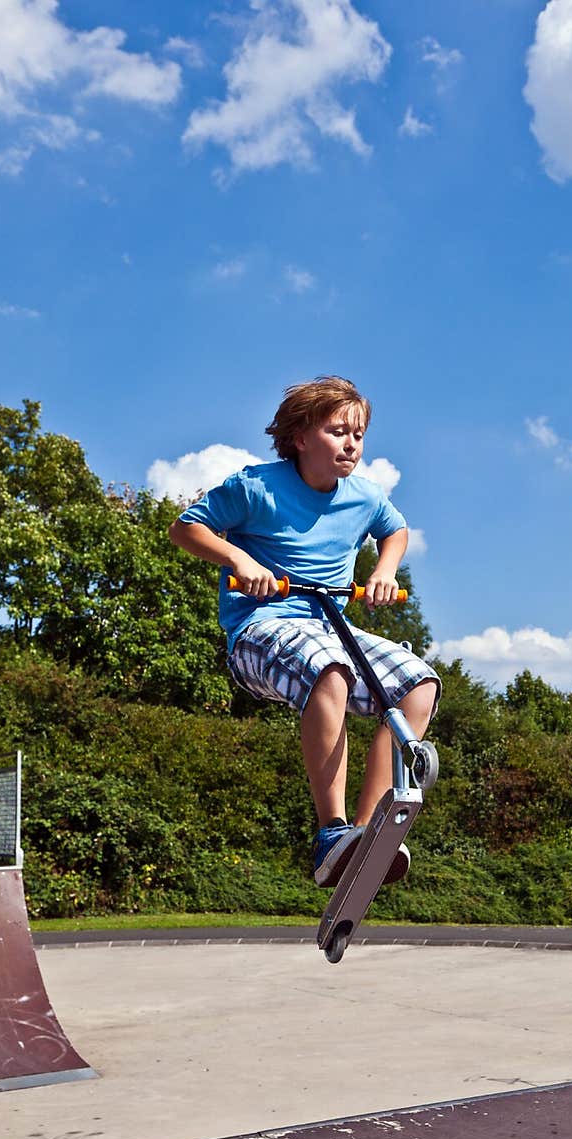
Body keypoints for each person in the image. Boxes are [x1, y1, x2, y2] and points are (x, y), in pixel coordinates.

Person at [169, 376, 440, 888]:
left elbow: (395, 529)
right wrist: (238, 558)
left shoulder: (363, 496)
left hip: (328, 625)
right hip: (260, 631)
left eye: (358, 435)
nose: (352, 445)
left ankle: (367, 836)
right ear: (299, 438)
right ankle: (331, 833)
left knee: (417, 684)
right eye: (338, 432)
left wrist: (384, 570)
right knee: (330, 670)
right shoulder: (256, 487)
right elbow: (185, 528)